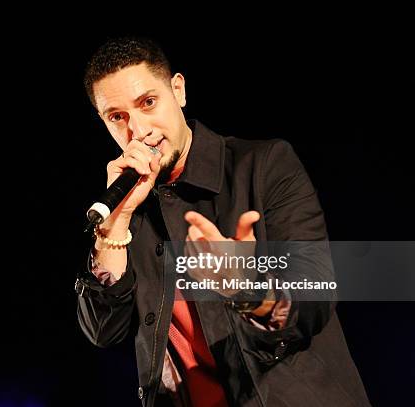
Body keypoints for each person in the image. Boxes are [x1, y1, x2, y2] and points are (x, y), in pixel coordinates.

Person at [75, 37, 370, 407]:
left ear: (178, 90)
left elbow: (314, 295)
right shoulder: (129, 209)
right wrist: (114, 229)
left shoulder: (262, 166)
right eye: (117, 117)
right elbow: (103, 332)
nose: (137, 129)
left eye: (148, 103)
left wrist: (244, 286)